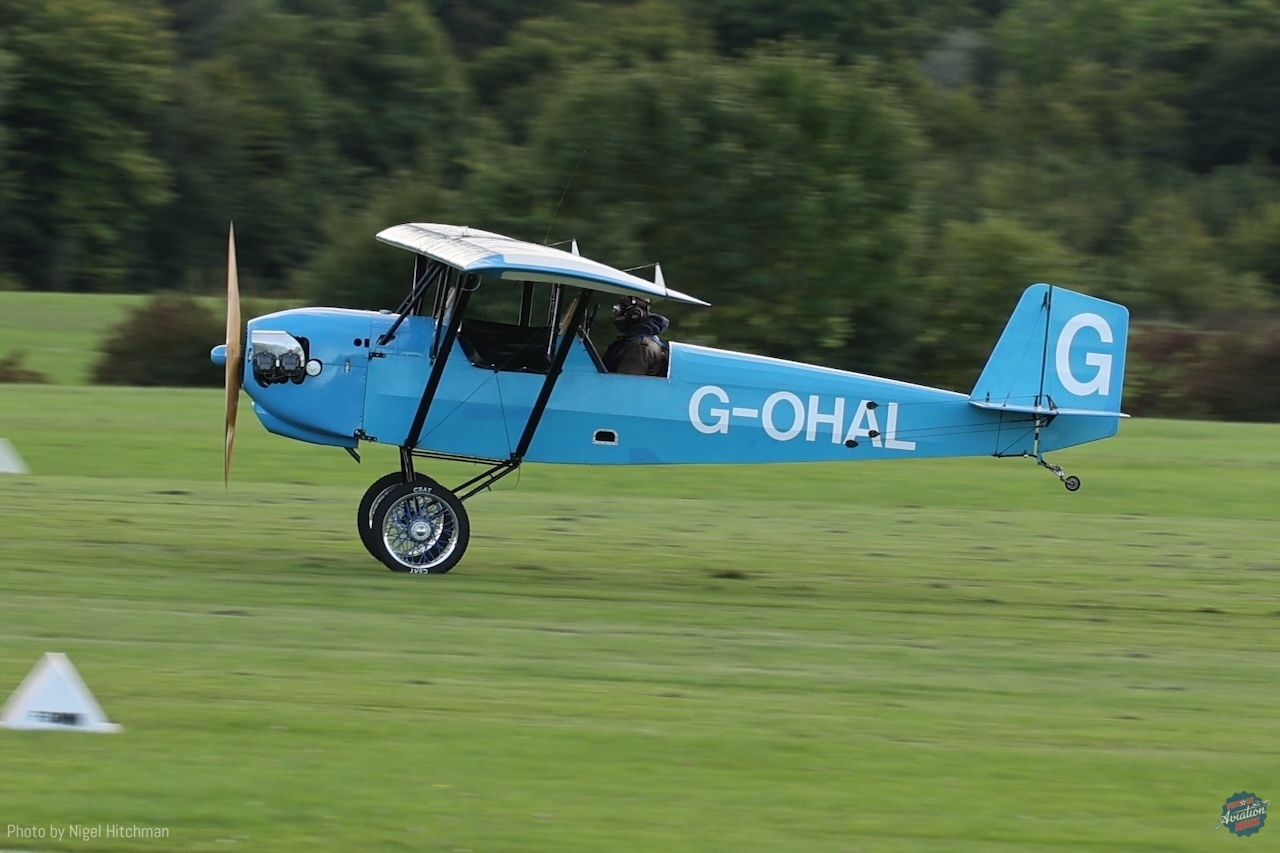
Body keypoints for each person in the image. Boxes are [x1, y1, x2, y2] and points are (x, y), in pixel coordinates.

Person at [603, 296, 669, 376]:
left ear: (634, 314)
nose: (615, 317)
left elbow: (625, 382)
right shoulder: (633, 341)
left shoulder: (640, 346)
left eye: (619, 310)